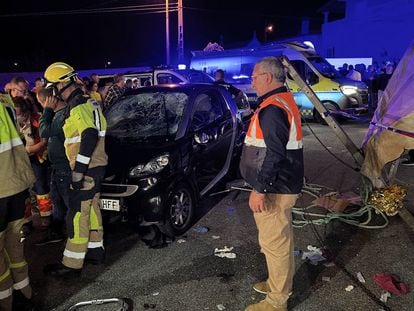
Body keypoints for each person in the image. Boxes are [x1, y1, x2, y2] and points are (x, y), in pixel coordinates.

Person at [239, 57, 304, 311]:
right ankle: (277, 283)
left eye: (254, 77)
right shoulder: (281, 100)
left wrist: (260, 189)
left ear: (267, 77)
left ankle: (277, 302)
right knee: (278, 241)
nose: (252, 81)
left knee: (275, 244)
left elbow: (275, 154)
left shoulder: (273, 108)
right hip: (282, 183)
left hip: (276, 188)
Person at [43, 62, 107, 278]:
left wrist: (78, 172)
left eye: (52, 86)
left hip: (86, 168)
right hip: (97, 165)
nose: (51, 91)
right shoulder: (89, 100)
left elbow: (89, 135)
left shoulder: (78, 105)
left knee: (77, 214)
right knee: (92, 208)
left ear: (61, 84)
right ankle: (96, 252)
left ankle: (72, 265)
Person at [0, 92, 36, 310]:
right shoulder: (5, 101)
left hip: (2, 188)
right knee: (14, 243)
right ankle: (25, 295)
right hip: (17, 182)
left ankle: (6, 304)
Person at [37, 88, 70, 245]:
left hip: (65, 167)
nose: (42, 106)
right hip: (58, 167)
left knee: (69, 203)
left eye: (42, 103)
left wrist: (47, 111)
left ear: (48, 101)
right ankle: (56, 231)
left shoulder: (62, 114)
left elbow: (44, 131)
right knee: (57, 202)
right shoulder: (58, 115)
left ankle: (75, 238)